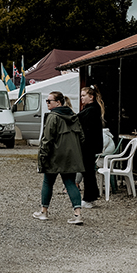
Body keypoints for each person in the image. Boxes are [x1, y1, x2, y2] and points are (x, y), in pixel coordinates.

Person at [33, 91, 86, 225]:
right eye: (47, 101)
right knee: (70, 183)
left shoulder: (53, 117)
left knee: (48, 182)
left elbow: (47, 139)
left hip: (54, 156)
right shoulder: (74, 116)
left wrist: (42, 156)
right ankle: (77, 214)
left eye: (49, 101)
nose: (47, 103)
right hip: (70, 156)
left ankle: (44, 211)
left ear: (58, 102)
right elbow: (82, 137)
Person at [77, 85, 105, 208]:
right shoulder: (90, 109)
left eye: (83, 96)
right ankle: (91, 196)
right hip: (89, 145)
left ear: (91, 97)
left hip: (88, 145)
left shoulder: (91, 110)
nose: (81, 98)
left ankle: (89, 198)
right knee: (87, 171)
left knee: (87, 172)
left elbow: (87, 130)